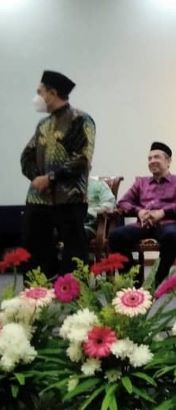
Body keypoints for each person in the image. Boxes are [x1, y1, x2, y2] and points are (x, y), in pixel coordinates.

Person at [21, 70, 95, 277]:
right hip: (38, 198)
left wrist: (51, 178)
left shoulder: (81, 120)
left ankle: (72, 294)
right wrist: (37, 178)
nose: (37, 97)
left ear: (52, 93)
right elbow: (26, 157)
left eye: (40, 92)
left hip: (69, 198)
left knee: (74, 255)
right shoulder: (43, 124)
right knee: (34, 251)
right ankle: (38, 294)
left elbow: (82, 158)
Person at [108, 142, 176, 285]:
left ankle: (155, 282)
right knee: (115, 236)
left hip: (168, 223)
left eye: (156, 157)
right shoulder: (141, 182)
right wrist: (139, 211)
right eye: (149, 158)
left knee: (173, 236)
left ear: (168, 161)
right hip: (143, 224)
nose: (152, 161)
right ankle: (134, 282)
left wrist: (163, 212)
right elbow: (123, 202)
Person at [84, 176, 116, 241]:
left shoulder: (98, 184)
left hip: (88, 225)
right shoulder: (64, 188)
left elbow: (109, 205)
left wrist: (90, 212)